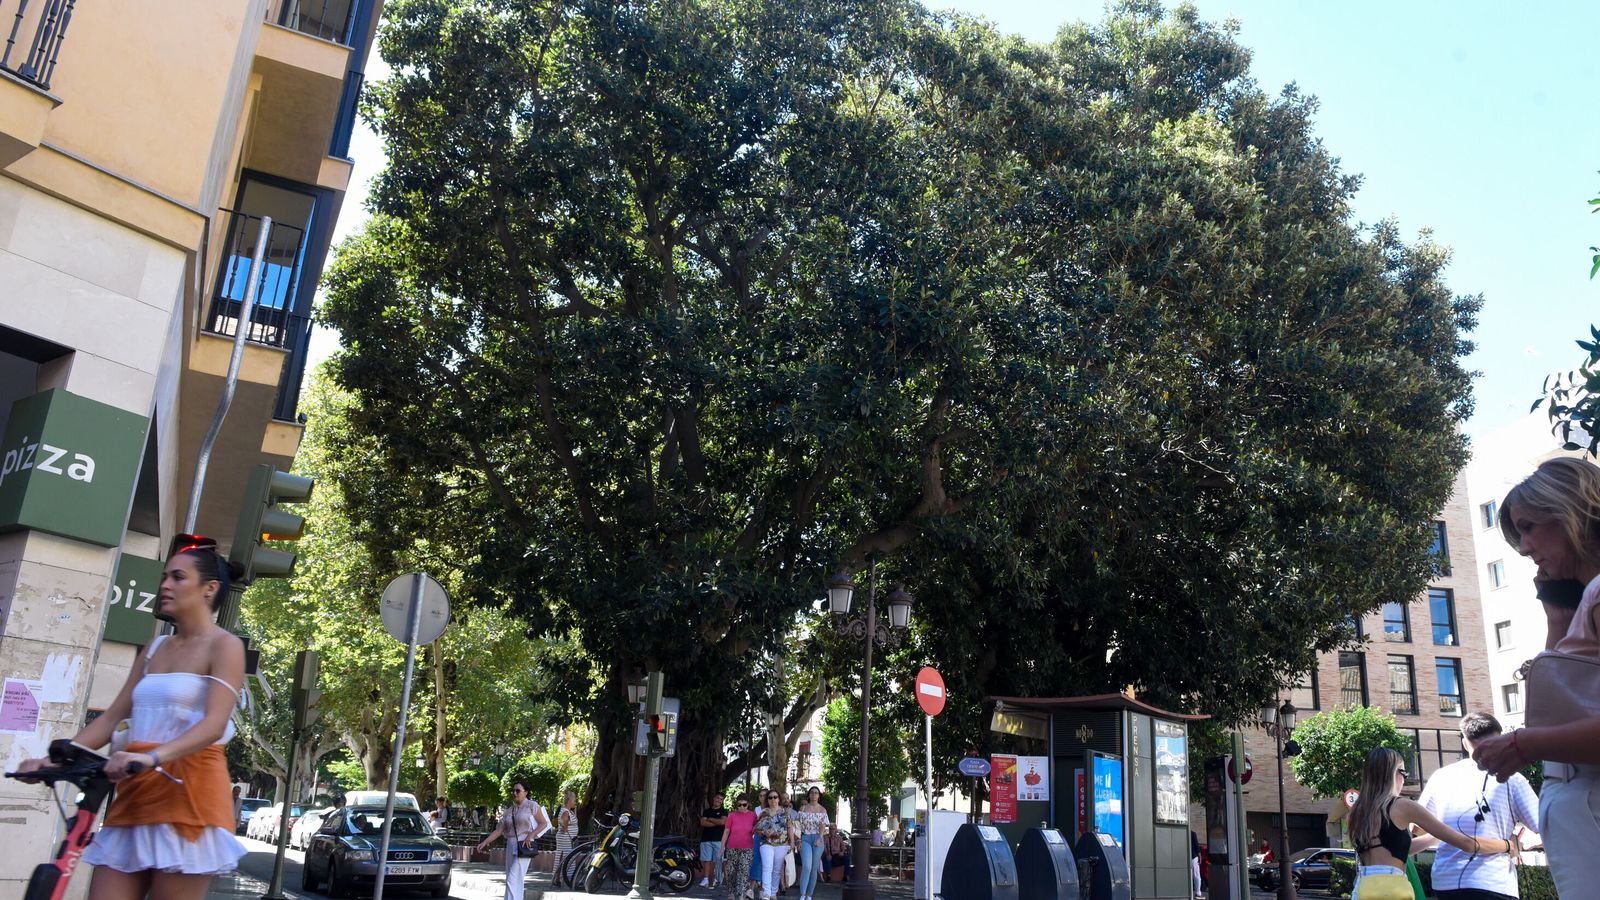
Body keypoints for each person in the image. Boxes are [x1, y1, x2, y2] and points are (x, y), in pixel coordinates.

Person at [18, 536, 246, 900]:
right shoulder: (155, 648)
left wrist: (151, 756)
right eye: (165, 577)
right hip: (134, 791)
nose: (165, 585)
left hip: (190, 797)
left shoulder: (225, 646)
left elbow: (213, 725)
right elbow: (112, 718)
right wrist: (54, 760)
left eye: (177, 577)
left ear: (210, 589)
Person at [1473, 457, 1600, 898]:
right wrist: (1558, 620)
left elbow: (1541, 732)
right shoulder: (1586, 604)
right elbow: (1553, 715)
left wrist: (1522, 744)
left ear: (1569, 511)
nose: (1525, 547)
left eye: (1528, 527)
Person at [1347, 748, 1512, 899]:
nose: (1404, 780)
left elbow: (1396, 849)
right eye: (1404, 773)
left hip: (1363, 887)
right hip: (1392, 888)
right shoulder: (1402, 806)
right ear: (1392, 774)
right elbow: (1467, 844)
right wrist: (1507, 845)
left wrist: (1436, 838)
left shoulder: (1356, 812)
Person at [1419, 713, 1539, 900]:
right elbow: (1543, 825)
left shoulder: (1441, 776)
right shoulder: (1511, 778)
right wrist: (1512, 843)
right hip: (1493, 881)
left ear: (1465, 743)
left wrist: (1452, 832)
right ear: (1500, 740)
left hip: (1446, 882)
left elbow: (1417, 828)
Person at [475, 781, 551, 900]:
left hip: (524, 844)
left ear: (525, 792)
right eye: (513, 791)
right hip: (510, 845)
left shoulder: (532, 805)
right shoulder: (509, 811)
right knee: (515, 880)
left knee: (512, 878)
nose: (515, 793)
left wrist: (531, 835)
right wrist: (485, 842)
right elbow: (499, 830)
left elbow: (543, 823)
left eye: (518, 790)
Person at [754, 789, 796, 900]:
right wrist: (764, 832)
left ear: (779, 799)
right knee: (767, 867)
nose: (773, 799)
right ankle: (766, 893)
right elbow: (756, 829)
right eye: (770, 797)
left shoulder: (785, 812)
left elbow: (790, 827)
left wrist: (792, 842)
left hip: (782, 844)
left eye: (775, 797)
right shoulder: (764, 812)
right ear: (767, 800)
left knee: (777, 869)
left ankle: (773, 892)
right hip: (766, 843)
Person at [794, 787, 829, 900]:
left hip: (818, 839)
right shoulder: (803, 808)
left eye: (816, 793)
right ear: (809, 795)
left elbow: (823, 826)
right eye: (812, 793)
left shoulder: (822, 810)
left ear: (819, 796)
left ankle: (809, 895)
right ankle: (802, 894)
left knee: (814, 868)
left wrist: (819, 837)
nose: (814, 795)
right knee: (807, 866)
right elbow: (797, 825)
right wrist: (798, 840)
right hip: (805, 838)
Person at [722, 793, 758, 900]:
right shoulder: (732, 815)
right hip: (732, 847)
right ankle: (731, 893)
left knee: (744, 871)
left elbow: (758, 828)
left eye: (744, 805)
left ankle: (741, 895)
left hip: (747, 848)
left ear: (748, 804)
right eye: (739, 805)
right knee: (731, 872)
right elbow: (726, 831)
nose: (742, 807)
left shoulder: (753, 815)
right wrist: (722, 846)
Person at [700, 791, 729, 887]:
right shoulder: (706, 811)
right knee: (706, 860)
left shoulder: (724, 811)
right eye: (717, 798)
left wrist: (711, 819)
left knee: (718, 860)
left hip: (718, 840)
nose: (718, 800)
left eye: (721, 799)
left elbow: (722, 822)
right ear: (714, 798)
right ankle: (706, 879)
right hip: (706, 839)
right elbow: (703, 823)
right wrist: (716, 822)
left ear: (722, 801)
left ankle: (718, 879)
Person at [554, 789, 579, 884]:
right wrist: (565, 827)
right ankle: (559, 878)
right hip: (566, 838)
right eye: (574, 801)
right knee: (564, 857)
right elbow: (564, 818)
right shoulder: (565, 811)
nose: (575, 802)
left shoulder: (568, 810)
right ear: (569, 801)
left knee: (562, 857)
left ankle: (558, 878)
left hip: (566, 837)